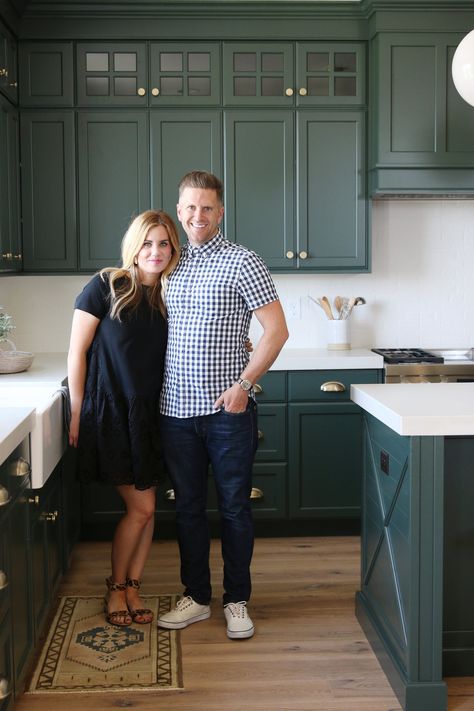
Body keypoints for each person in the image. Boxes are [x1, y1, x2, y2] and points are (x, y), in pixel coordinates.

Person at [157, 170, 289, 640]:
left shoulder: (242, 261)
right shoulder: (168, 265)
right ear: (179, 210)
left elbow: (276, 332)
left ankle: (237, 601)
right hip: (174, 413)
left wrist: (244, 386)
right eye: (190, 207)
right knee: (188, 509)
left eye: (207, 207)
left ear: (221, 212)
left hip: (227, 413)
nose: (198, 216)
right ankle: (196, 597)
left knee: (234, 508)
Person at [67, 209, 180, 627]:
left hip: (154, 415)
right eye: (147, 243)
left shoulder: (171, 294)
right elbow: (76, 352)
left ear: (173, 249)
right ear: (134, 246)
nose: (155, 251)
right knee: (143, 507)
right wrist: (78, 411)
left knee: (147, 510)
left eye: (164, 243)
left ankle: (133, 587)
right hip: (110, 413)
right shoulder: (106, 285)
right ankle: (116, 587)